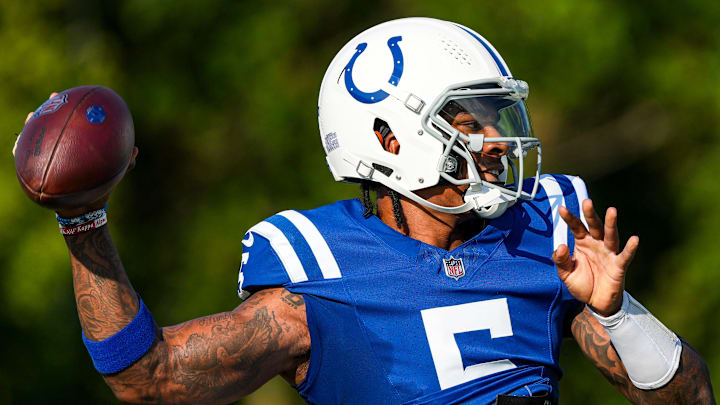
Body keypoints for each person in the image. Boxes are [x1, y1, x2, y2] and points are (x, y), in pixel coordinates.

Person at [17, 17, 714, 405]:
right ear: (389, 137)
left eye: (499, 116)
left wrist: (618, 315)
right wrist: (84, 226)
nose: (498, 140)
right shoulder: (316, 272)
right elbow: (152, 380)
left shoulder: (545, 235)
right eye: (469, 120)